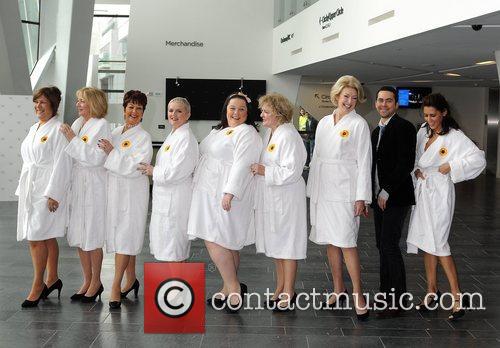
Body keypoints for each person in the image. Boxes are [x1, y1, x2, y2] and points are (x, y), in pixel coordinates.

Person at [406, 93, 486, 321]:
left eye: (433, 115)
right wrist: (417, 170)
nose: (429, 119)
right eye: (426, 115)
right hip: (423, 190)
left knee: (440, 242)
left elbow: (478, 159)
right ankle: (432, 291)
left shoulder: (454, 137)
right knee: (426, 241)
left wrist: (451, 165)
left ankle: (457, 297)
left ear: (444, 113)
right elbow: (414, 158)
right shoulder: (422, 131)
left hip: (440, 192)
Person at [187, 92, 262, 313]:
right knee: (226, 241)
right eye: (232, 108)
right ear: (225, 109)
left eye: (241, 109)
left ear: (248, 113)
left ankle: (234, 288)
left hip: (225, 192)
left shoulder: (247, 133)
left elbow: (242, 164)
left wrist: (229, 192)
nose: (236, 113)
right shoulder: (218, 130)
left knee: (215, 239)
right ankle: (228, 287)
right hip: (207, 190)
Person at [306, 75, 371, 321]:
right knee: (331, 242)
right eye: (346, 96)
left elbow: (365, 161)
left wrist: (361, 197)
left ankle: (358, 294)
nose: (350, 101)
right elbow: (316, 157)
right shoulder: (324, 122)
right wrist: (312, 189)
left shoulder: (359, 124)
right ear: (337, 96)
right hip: (324, 189)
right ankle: (338, 288)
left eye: (354, 98)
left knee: (347, 242)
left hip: (345, 191)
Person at [16, 86, 72, 307]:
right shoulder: (34, 128)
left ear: (53, 105)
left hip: (47, 189)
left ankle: (38, 284)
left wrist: (54, 193)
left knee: (36, 237)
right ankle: (53, 278)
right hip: (32, 186)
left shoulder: (58, 129)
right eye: (36, 102)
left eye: (43, 103)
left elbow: (62, 162)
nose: (38, 106)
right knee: (47, 236)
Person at [251, 93, 307, 311]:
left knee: (288, 245)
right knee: (276, 243)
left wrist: (265, 171)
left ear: (278, 113)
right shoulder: (270, 133)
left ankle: (289, 292)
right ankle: (280, 287)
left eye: (265, 111)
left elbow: (292, 171)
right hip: (273, 197)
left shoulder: (288, 135)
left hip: (287, 196)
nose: (262, 114)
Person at [98, 90, 153, 309]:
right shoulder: (115, 132)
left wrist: (112, 153)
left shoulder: (144, 137)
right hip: (114, 191)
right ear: (123, 109)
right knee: (124, 237)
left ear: (143, 113)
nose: (134, 111)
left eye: (139, 108)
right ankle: (131, 280)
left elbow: (137, 167)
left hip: (132, 193)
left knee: (125, 237)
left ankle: (115, 286)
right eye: (130, 107)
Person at [60, 87, 111, 303]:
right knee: (80, 236)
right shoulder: (77, 124)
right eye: (78, 100)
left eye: (83, 101)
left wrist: (73, 139)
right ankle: (86, 279)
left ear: (94, 103)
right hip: (78, 183)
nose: (78, 104)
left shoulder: (102, 126)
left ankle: (97, 282)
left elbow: (97, 158)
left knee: (92, 233)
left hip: (94, 184)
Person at [370, 86, 416, 318]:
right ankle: (384, 294)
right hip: (378, 197)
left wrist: (386, 191)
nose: (384, 104)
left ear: (396, 105)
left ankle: (397, 299)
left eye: (389, 101)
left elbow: (405, 164)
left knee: (389, 245)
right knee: (381, 246)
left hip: (395, 197)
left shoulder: (404, 128)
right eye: (380, 100)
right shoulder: (376, 131)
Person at [139, 97, 198, 263]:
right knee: (167, 248)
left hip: (176, 202)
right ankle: (171, 285)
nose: (174, 114)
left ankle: (177, 287)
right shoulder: (174, 135)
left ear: (188, 114)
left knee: (175, 249)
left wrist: (152, 170)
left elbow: (176, 172)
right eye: (171, 110)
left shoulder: (185, 138)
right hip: (165, 200)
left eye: (179, 111)